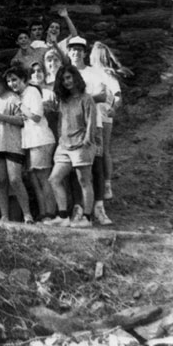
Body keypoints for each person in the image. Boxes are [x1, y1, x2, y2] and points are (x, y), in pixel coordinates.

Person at [0, 70, 35, 224]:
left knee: (15, 179)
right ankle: (4, 216)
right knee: (2, 181)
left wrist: (0, 117)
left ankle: (27, 215)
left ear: (2, 83)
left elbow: (22, 120)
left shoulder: (13, 97)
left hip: (13, 144)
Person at [68, 36, 112, 225]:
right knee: (75, 169)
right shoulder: (66, 74)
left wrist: (78, 102)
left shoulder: (94, 73)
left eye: (79, 50)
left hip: (95, 125)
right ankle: (79, 208)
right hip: (72, 129)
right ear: (68, 52)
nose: (76, 53)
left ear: (85, 53)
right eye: (72, 49)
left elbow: (103, 96)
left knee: (97, 166)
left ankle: (99, 209)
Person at [47, 65, 96, 228]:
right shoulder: (63, 100)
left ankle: (87, 218)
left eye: (69, 77)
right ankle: (63, 217)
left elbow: (91, 121)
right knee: (54, 179)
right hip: (64, 146)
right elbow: (61, 121)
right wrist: (61, 138)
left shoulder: (86, 98)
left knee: (84, 180)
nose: (66, 81)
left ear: (75, 77)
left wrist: (88, 139)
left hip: (81, 145)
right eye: (63, 79)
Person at [5, 66, 56, 221]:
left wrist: (19, 105)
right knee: (35, 179)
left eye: (14, 80)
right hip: (30, 142)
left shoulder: (32, 92)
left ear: (24, 80)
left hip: (41, 139)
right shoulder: (21, 95)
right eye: (9, 81)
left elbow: (36, 117)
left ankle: (51, 213)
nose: (11, 83)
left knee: (43, 177)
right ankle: (43, 213)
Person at [89, 42, 132, 202]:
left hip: (103, 115)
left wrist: (113, 108)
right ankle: (102, 183)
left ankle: (106, 183)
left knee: (103, 150)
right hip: (93, 115)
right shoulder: (91, 72)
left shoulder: (107, 74)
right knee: (102, 150)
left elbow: (118, 95)